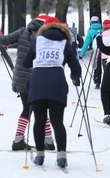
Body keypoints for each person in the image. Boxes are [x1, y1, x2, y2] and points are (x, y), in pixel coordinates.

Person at [22, 18, 82, 168]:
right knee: (57, 122)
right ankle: (61, 157)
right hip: (57, 83)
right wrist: (75, 78)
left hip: (38, 82)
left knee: (39, 121)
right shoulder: (65, 43)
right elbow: (76, 67)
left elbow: (26, 63)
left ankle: (40, 156)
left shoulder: (38, 41)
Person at [0, 14, 56, 150]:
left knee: (27, 109)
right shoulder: (44, 36)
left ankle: (19, 140)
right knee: (41, 109)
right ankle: (48, 141)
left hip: (21, 78)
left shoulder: (22, 32)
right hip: (37, 78)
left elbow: (3, 41)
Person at [78, 16, 103, 88]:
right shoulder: (102, 30)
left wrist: (81, 55)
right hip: (104, 50)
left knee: (96, 66)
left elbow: (86, 44)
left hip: (96, 50)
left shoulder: (90, 32)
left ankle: (97, 81)